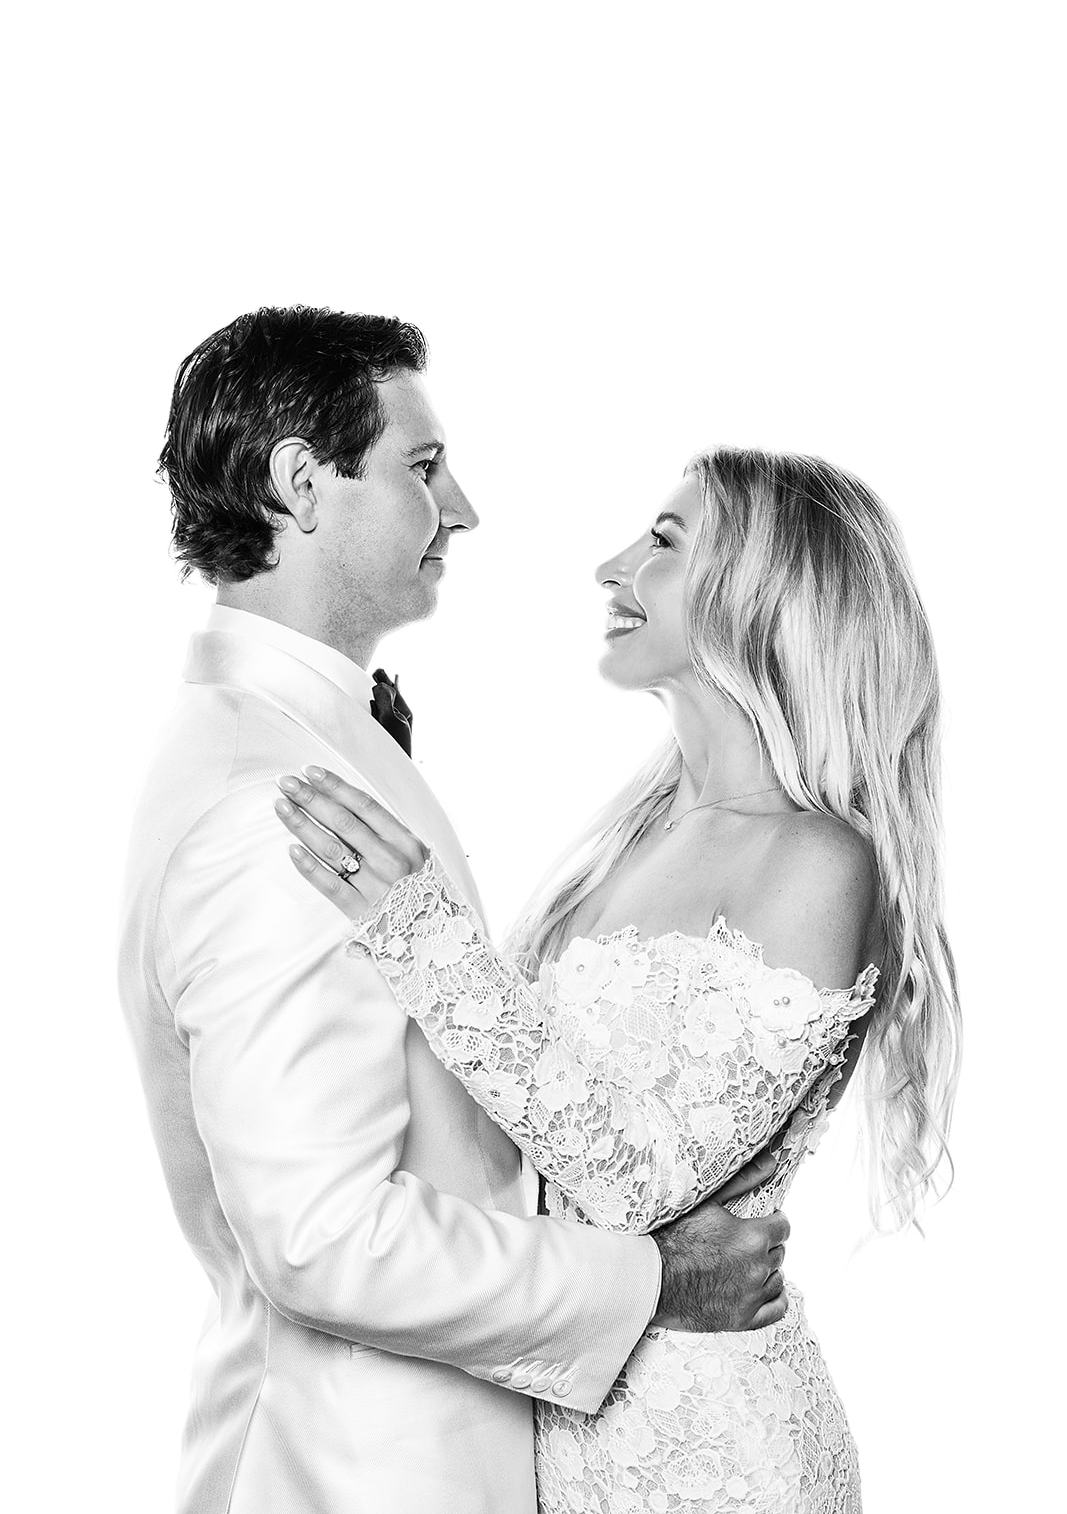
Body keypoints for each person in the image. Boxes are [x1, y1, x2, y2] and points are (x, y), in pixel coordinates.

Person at [117, 307, 791, 1514]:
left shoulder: (302, 742)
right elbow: (321, 1232)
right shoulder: (270, 804)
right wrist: (647, 1282)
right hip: (363, 1475)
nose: (462, 508)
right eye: (422, 468)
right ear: (299, 484)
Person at [275, 445, 962, 1512]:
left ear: (761, 591)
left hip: (718, 1458)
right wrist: (396, 801)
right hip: (563, 1428)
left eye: (662, 542)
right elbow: (514, 1113)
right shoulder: (631, 834)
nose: (610, 567)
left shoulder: (821, 860)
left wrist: (418, 928)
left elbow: (633, 1180)